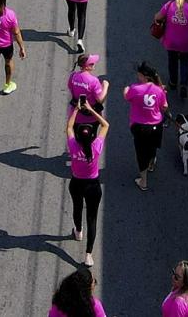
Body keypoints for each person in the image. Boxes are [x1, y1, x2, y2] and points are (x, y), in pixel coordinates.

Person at [66, 102, 108, 267]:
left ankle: (78, 231)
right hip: (93, 186)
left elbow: (69, 126)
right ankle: (88, 254)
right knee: (92, 218)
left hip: (76, 184)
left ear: (77, 136)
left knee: (77, 207)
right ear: (92, 136)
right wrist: (91, 110)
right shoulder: (96, 147)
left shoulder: (73, 146)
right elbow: (105, 125)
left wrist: (76, 110)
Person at [125, 61, 168, 191]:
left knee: (141, 152)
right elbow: (164, 107)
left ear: (145, 76)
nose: (138, 76)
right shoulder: (159, 90)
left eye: (139, 74)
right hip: (156, 125)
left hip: (139, 127)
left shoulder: (135, 89)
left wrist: (126, 89)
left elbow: (127, 97)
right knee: (152, 145)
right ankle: (151, 162)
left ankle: (143, 181)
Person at [155, 0, 188, 100]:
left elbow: (158, 17)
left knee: (172, 61)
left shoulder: (169, 5)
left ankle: (173, 82)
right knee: (185, 62)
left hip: (170, 41)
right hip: (185, 43)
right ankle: (184, 84)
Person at [68, 52, 110, 119]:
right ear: (87, 67)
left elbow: (70, 87)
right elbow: (100, 99)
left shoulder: (72, 76)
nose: (94, 64)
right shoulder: (93, 80)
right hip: (91, 115)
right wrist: (105, 86)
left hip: (75, 114)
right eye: (92, 64)